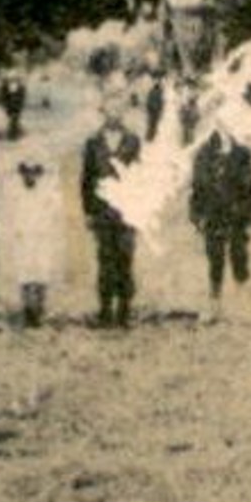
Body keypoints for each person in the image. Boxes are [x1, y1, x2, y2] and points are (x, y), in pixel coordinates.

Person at [80, 88, 143, 328]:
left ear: (124, 112)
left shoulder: (133, 141)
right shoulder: (93, 142)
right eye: (110, 109)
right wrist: (88, 211)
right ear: (103, 112)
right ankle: (105, 311)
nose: (114, 114)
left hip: (127, 212)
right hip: (102, 212)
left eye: (119, 109)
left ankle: (124, 312)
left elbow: (140, 178)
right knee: (105, 261)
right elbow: (86, 181)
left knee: (125, 260)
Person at [190, 118, 251, 322]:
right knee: (215, 257)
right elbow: (197, 187)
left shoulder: (243, 154)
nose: (225, 126)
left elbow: (250, 188)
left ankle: (242, 299)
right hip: (213, 212)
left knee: (239, 253)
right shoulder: (204, 153)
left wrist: (248, 213)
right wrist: (197, 215)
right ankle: (214, 303)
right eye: (219, 122)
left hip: (237, 212)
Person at [3, 153, 64, 328]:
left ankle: (39, 308)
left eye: (34, 172)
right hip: (23, 237)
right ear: (22, 174)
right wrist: (15, 232)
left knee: (41, 272)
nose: (30, 176)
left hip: (42, 236)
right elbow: (11, 215)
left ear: (39, 174)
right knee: (25, 272)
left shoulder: (47, 192)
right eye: (26, 173)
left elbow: (55, 213)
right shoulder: (16, 193)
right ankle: (28, 309)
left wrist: (48, 230)